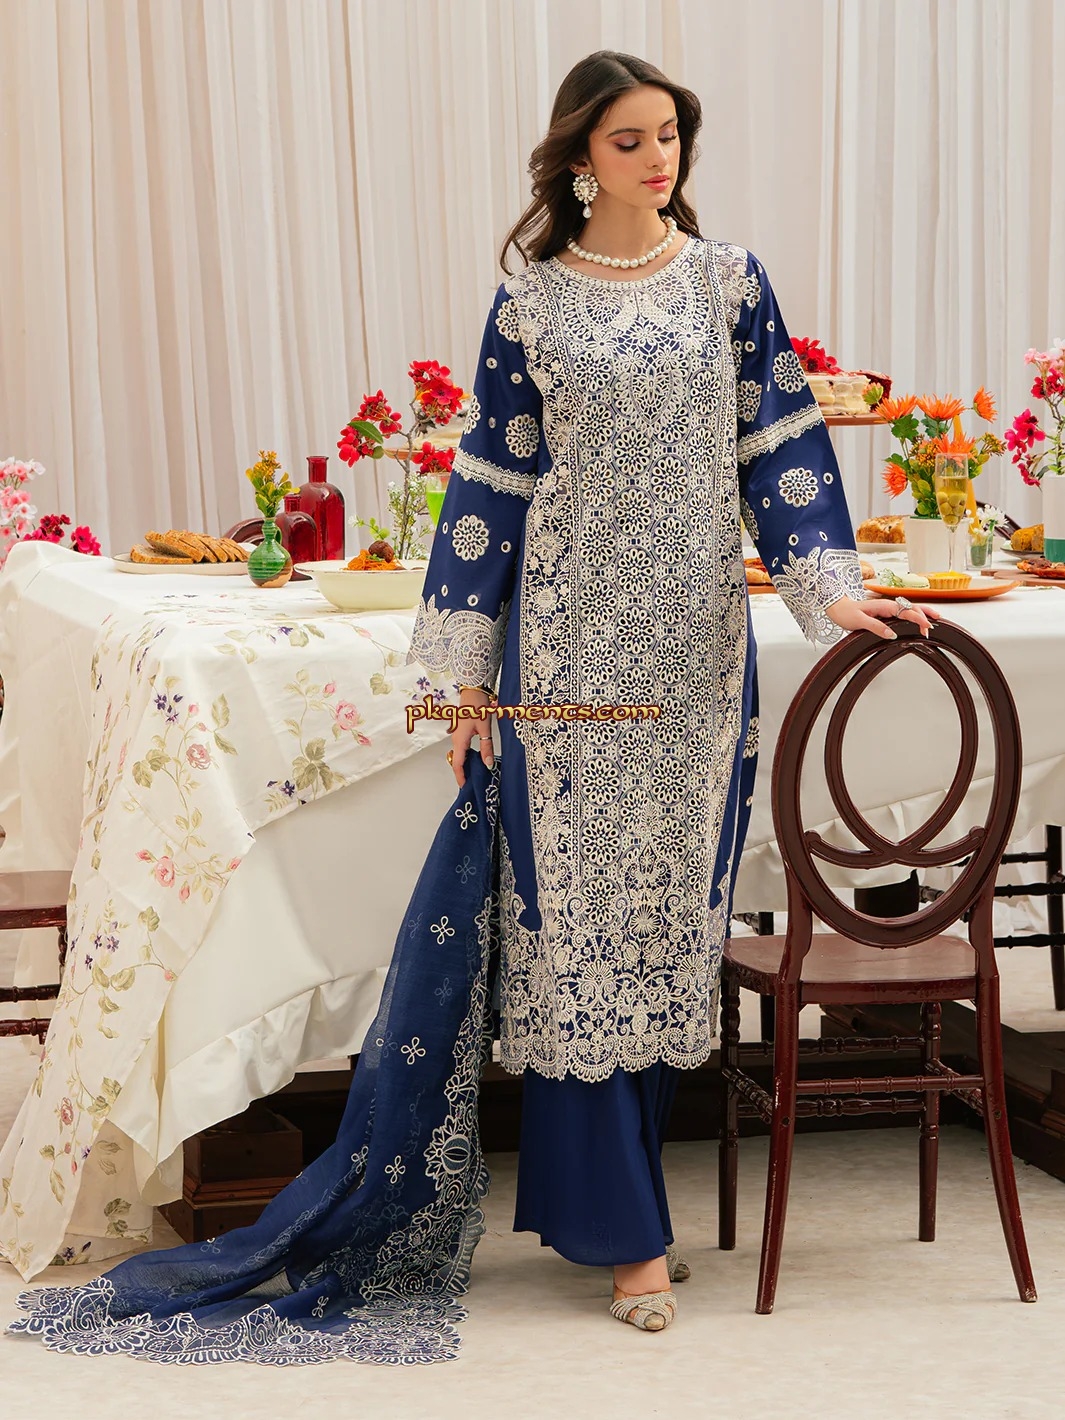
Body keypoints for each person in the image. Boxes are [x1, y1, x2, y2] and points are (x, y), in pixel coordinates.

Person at [409, 49, 936, 1334]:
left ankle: (617, 1201)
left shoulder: (727, 283)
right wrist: (462, 675)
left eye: (670, 136)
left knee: (664, 922)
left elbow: (781, 445)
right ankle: (628, 1236)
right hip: (569, 656)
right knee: (576, 927)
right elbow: (489, 486)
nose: (660, 158)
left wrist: (829, 588)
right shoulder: (530, 302)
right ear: (580, 160)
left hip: (700, 655)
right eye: (631, 139)